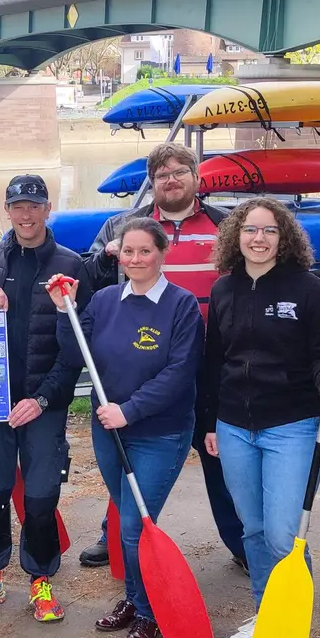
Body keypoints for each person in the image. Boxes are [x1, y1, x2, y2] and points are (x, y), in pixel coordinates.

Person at [198, 196, 320, 638]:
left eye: (269, 231)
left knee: (283, 532)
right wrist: (211, 421)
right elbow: (215, 360)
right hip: (233, 426)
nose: (259, 238)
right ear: (236, 235)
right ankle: (265, 611)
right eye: (251, 229)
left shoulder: (308, 289)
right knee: (252, 530)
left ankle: (292, 617)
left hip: (290, 425)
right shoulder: (225, 289)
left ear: (284, 237)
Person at [79, 142, 246, 575]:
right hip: (144, 360)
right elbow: (90, 279)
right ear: (152, 182)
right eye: (161, 174)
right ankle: (116, 535)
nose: (170, 180)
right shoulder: (123, 225)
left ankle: (244, 543)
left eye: (179, 172)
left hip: (214, 358)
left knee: (218, 457)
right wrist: (107, 252)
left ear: (196, 177)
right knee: (127, 455)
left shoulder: (225, 224)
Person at [53, 218, 202, 638]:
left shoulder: (181, 305)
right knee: (125, 522)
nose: (135, 259)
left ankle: (149, 611)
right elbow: (75, 351)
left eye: (145, 251)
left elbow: (180, 372)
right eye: (128, 252)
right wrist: (66, 313)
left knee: (136, 526)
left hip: (159, 432)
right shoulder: (103, 300)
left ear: (161, 254)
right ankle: (136, 601)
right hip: (109, 430)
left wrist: (129, 410)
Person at [0, 174, 91, 623]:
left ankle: (41, 579)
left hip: (42, 403)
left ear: (47, 209)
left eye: (34, 205)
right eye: (17, 206)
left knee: (42, 494)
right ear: (8, 210)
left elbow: (76, 351)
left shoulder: (70, 264)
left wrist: (44, 400)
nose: (26, 214)